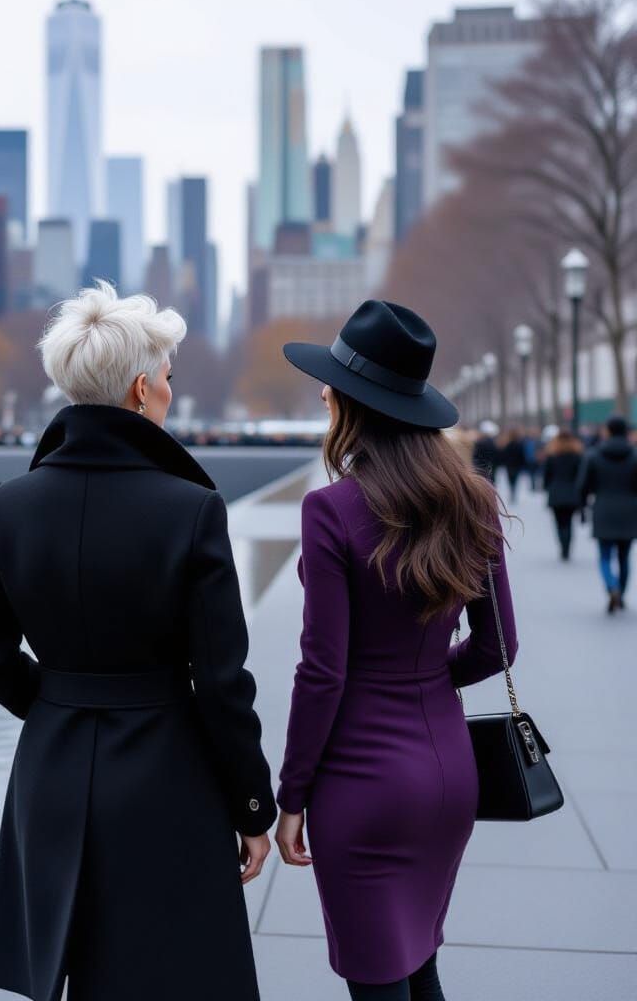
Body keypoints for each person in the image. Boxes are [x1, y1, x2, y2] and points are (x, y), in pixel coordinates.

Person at [0, 281, 277, 1001]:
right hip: (166, 775)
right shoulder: (191, 509)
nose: (170, 391)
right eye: (167, 377)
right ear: (140, 388)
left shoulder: (9, 503)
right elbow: (221, 683)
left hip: (51, 773)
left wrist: (59, 703)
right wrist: (253, 807)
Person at [275, 300, 519, 1000]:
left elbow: (323, 671)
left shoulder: (331, 510)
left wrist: (291, 795)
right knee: (418, 960)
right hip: (450, 775)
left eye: (331, 386)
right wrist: (427, 680)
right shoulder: (472, 500)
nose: (323, 395)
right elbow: (499, 645)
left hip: (363, 783)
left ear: (354, 404)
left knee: (380, 977)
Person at [577, 415, 637, 613]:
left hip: (603, 509)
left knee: (604, 555)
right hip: (629, 511)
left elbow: (583, 486)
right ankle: (621, 592)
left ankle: (611, 586)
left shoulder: (594, 455)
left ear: (608, 431)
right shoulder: (634, 455)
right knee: (624, 557)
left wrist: (583, 508)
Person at [542, 427, 584, 560]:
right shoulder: (577, 456)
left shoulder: (552, 456)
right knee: (569, 522)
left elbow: (546, 476)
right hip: (572, 493)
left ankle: (563, 546)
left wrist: (547, 487)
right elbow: (581, 476)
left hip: (556, 493)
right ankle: (567, 547)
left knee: (559, 522)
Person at [499, 427, 526, 503]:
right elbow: (522, 456)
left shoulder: (508, 445)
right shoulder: (520, 445)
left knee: (510, 480)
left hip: (509, 465)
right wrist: (523, 464)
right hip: (517, 466)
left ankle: (511, 492)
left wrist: (504, 463)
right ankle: (513, 493)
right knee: (515, 480)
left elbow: (504, 455)